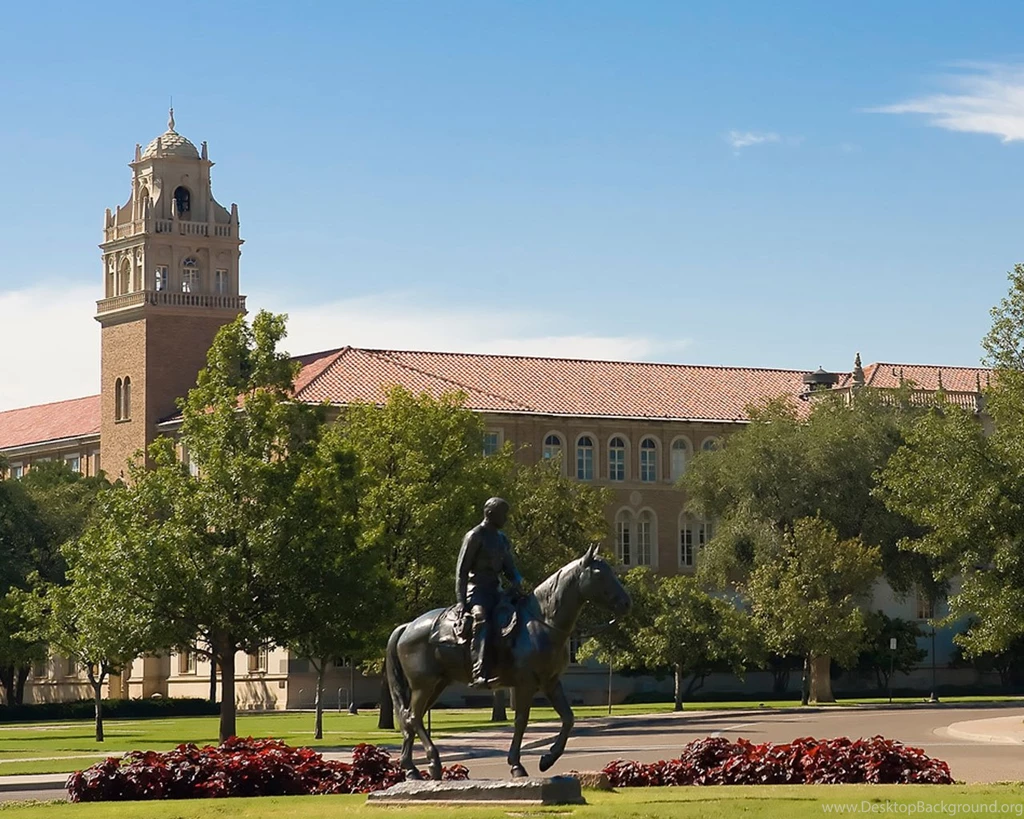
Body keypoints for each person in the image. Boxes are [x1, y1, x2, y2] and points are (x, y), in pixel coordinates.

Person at [455, 497, 524, 688]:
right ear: (491, 514)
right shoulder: (475, 536)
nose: (506, 519)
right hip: (476, 591)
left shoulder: (502, 539)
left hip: (496, 591)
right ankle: (479, 672)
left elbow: (510, 569)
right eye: (504, 514)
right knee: (482, 620)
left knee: (519, 616)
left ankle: (513, 666)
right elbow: (461, 572)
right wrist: (461, 601)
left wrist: (518, 580)